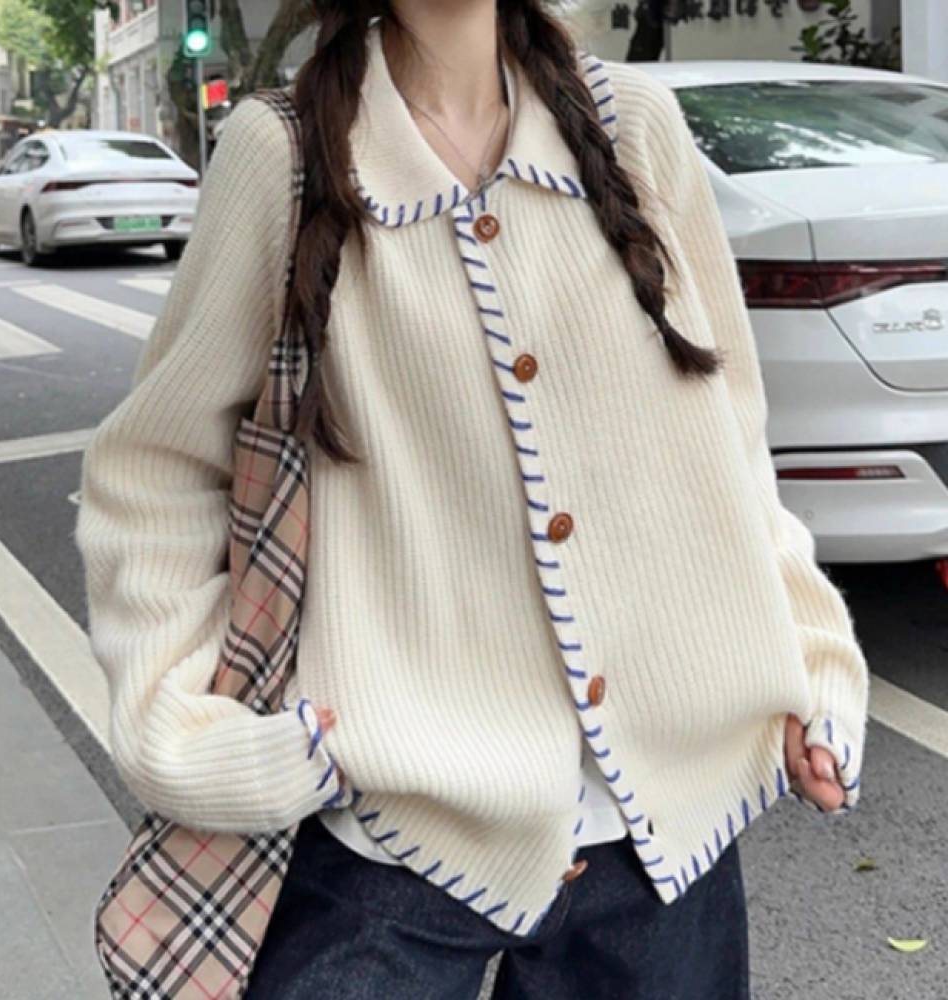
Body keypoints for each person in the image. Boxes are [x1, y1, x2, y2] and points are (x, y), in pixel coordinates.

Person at [74, 2, 870, 997]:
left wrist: (810, 655)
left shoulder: (635, 129)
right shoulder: (285, 156)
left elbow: (728, 442)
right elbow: (156, 464)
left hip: (666, 840)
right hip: (394, 837)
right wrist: (185, 730)